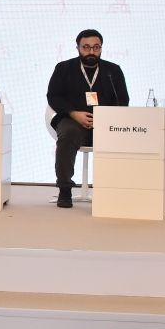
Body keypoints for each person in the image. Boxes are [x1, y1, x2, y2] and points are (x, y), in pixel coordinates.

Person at [46, 29, 129, 208]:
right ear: (78, 48)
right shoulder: (64, 68)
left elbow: (123, 100)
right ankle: (65, 189)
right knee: (68, 133)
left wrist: (104, 118)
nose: (91, 51)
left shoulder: (113, 70)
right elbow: (53, 96)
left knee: (123, 134)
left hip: (105, 122)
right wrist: (73, 113)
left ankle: (110, 189)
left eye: (96, 47)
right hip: (72, 119)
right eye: (86, 47)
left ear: (101, 48)